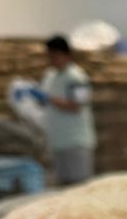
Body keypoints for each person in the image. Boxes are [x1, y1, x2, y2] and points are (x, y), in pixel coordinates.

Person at [39, 35, 96, 184]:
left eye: (55, 56)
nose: (51, 60)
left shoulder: (77, 78)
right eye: (49, 57)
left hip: (76, 143)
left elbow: (78, 105)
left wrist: (49, 99)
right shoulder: (50, 76)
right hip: (57, 142)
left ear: (67, 55)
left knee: (79, 188)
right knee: (62, 189)